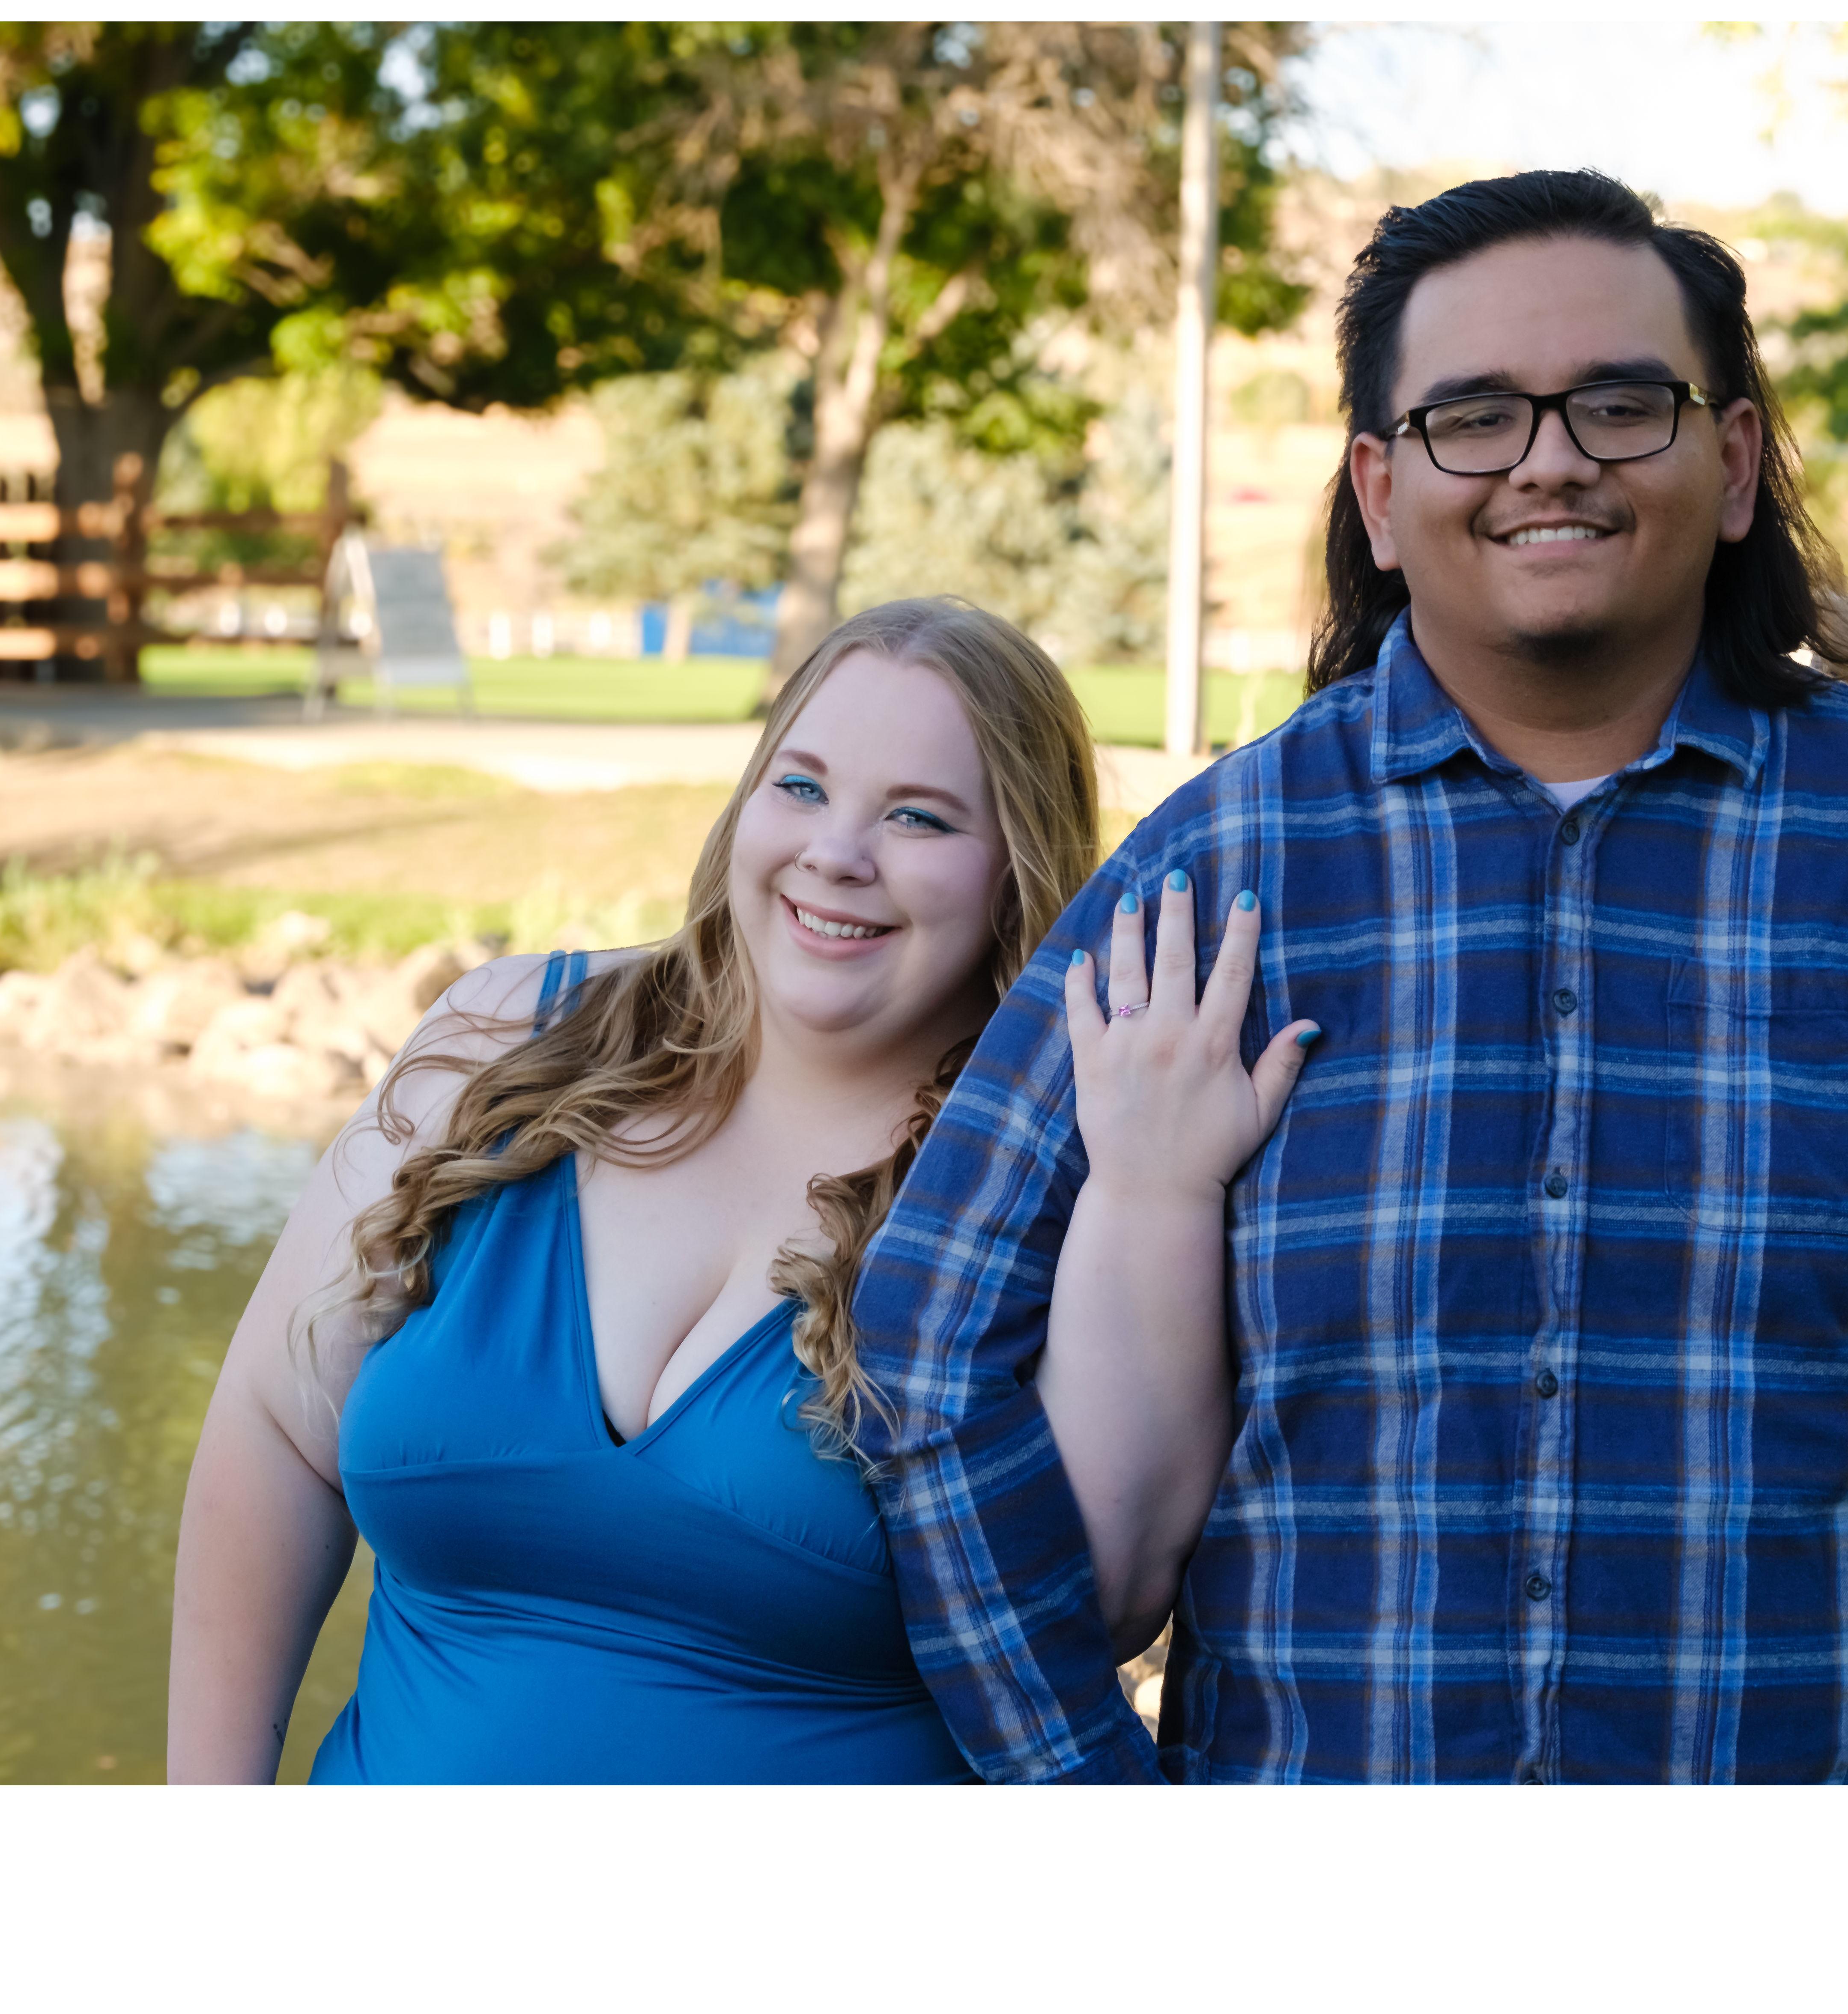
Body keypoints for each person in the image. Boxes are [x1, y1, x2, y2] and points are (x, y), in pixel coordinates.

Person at [854, 169, 1848, 1785]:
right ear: (1378, 492)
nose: (1550, 459)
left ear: (1732, 463)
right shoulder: (1213, 873)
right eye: (1473, 416)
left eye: (1622, 406)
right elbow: (931, 1342)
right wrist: (1075, 1780)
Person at [168, 594, 1276, 1783]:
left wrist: (1157, 1192)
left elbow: (1098, 1607)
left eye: (917, 815)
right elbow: (275, 1429)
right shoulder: (506, 1043)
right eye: (801, 786)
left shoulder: (1050, 1176)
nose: (835, 853)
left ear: (1018, 869)